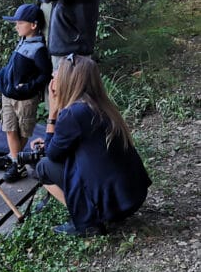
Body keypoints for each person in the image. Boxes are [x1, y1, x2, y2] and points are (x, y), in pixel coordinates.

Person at [33, 54, 151, 236]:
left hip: (115, 206)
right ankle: (93, 211)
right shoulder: (100, 104)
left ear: (70, 79)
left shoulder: (73, 113)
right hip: (133, 195)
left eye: (58, 71)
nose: (54, 74)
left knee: (42, 167)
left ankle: (87, 221)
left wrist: (53, 112)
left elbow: (53, 155)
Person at [0, 4, 52, 182]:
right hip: (8, 94)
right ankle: (14, 159)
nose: (16, 26)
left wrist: (27, 87)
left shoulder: (38, 49)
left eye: (19, 23)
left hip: (24, 99)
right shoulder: (23, 41)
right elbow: (14, 66)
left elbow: (44, 74)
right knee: (9, 128)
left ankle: (17, 164)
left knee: (22, 131)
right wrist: (2, 73)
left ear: (33, 25)